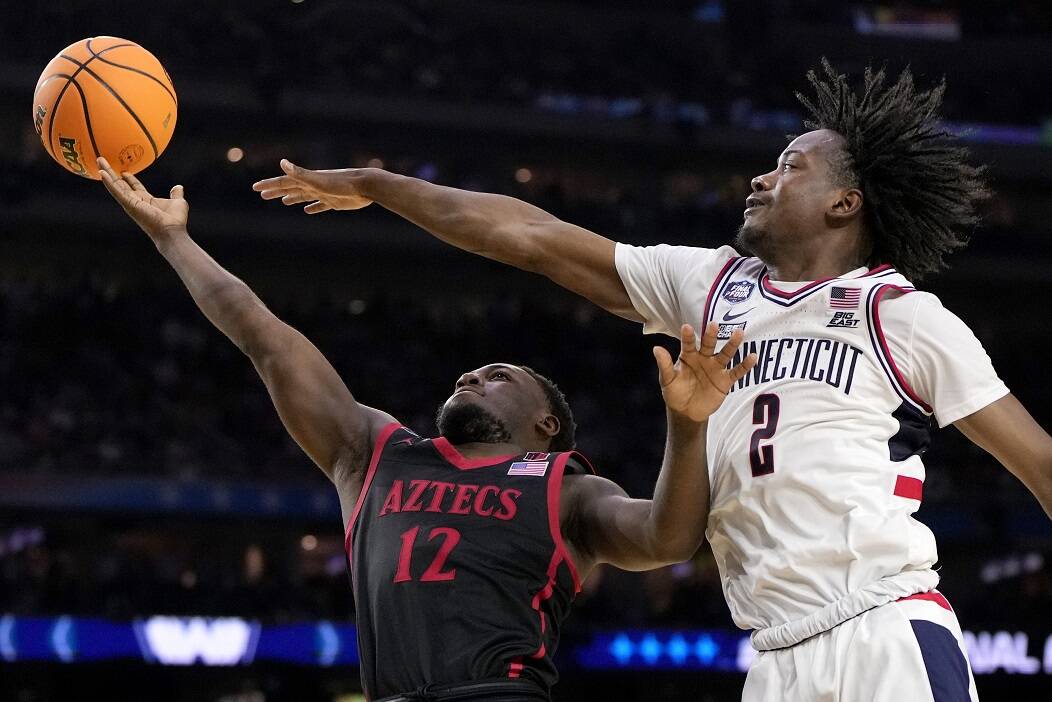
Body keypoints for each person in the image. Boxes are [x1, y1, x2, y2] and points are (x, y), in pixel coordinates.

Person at [253, 60, 1052, 701]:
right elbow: (533, 238)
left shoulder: (900, 315)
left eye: (789, 166)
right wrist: (383, 186)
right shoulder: (712, 285)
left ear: (845, 202)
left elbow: (1039, 464)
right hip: (773, 654)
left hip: (884, 625)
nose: (762, 178)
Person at [95, 157, 755, 701]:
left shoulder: (565, 487)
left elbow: (668, 539)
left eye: (499, 375)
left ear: (546, 423)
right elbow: (264, 337)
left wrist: (687, 423)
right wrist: (172, 239)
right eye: (468, 375)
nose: (471, 378)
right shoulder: (374, 453)